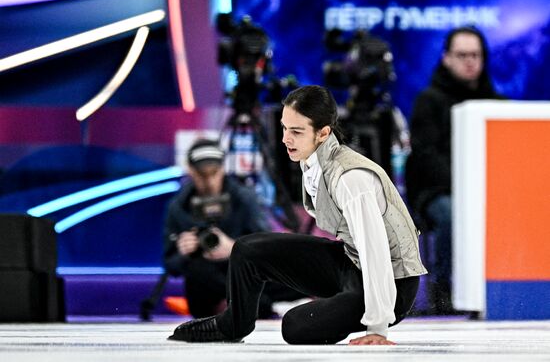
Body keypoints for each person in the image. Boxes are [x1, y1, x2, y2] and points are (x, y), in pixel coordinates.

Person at [168, 86, 427, 345]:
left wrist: (377, 327)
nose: (285, 139)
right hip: (352, 262)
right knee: (247, 250)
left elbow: (376, 251)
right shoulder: (313, 159)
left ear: (323, 133)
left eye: (296, 131)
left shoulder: (351, 177)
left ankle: (347, 309)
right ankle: (233, 324)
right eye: (284, 128)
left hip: (393, 283)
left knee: (294, 326)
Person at [406, 26, 504, 314]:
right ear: (446, 58)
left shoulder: (497, 104)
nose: (469, 61)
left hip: (489, 191)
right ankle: (446, 290)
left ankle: (503, 285)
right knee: (453, 214)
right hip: (437, 192)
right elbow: (426, 156)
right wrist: (466, 189)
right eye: (462, 55)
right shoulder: (429, 100)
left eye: (475, 54)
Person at [164, 138, 297, 318]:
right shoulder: (179, 206)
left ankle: (249, 302)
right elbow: (170, 265)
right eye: (203, 174)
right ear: (191, 171)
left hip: (242, 271)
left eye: (214, 173)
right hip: (206, 281)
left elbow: (266, 249)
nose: (210, 181)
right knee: (198, 272)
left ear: (223, 169)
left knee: (294, 273)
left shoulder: (243, 198)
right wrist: (183, 251)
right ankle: (259, 304)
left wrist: (234, 248)